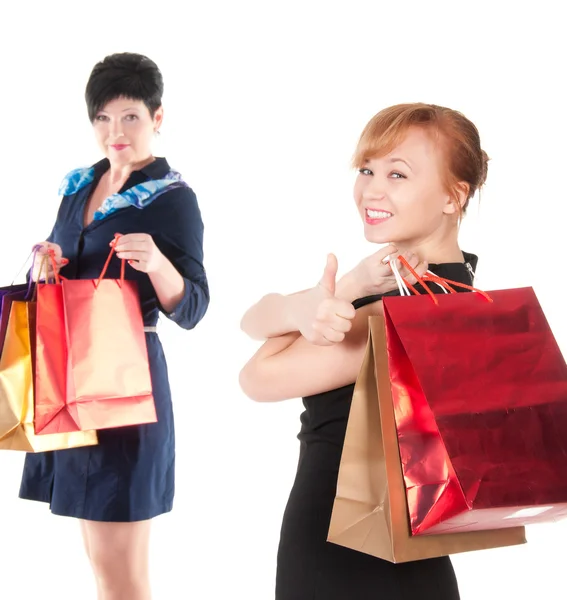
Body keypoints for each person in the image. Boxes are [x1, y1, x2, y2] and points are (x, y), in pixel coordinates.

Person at [239, 103, 488, 599]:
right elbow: (253, 320)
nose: (371, 189)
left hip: (346, 553)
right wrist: (345, 288)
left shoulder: (407, 312)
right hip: (398, 554)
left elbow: (256, 376)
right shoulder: (455, 292)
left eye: (398, 174)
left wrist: (335, 294)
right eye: (367, 169)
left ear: (452, 196)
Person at [19, 52, 209, 600]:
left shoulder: (173, 200)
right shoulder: (79, 187)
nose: (115, 131)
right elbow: (61, 277)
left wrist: (158, 263)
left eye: (129, 116)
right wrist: (47, 266)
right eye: (102, 118)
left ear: (157, 117)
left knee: (122, 569)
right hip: (70, 380)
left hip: (127, 390)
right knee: (101, 564)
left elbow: (194, 307)